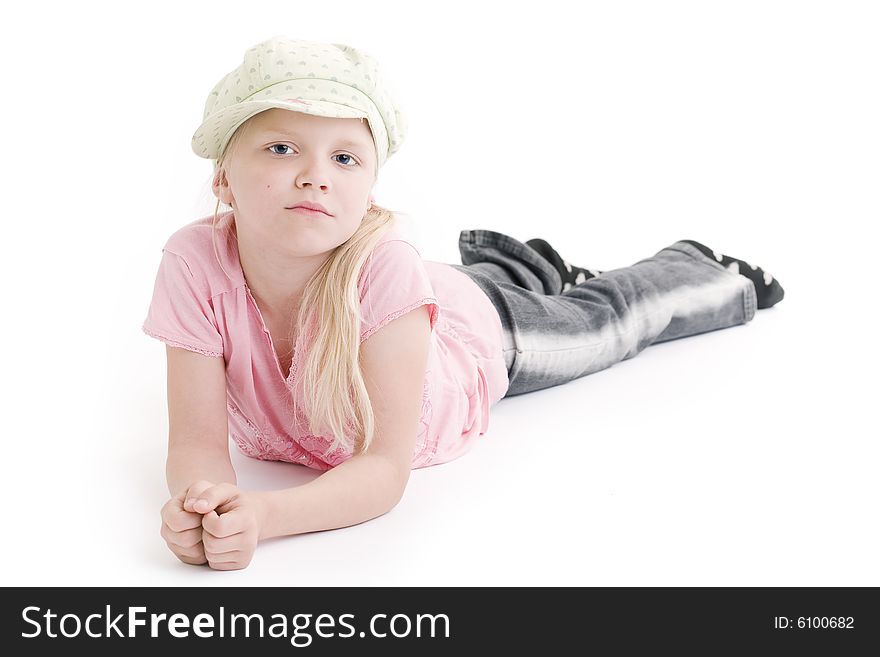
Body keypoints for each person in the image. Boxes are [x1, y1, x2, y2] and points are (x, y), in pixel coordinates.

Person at [144, 36, 785, 571]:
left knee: (603, 324)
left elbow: (384, 467)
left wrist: (264, 516)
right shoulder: (193, 262)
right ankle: (527, 266)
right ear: (222, 177)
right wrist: (206, 505)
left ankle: (691, 268)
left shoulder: (384, 266)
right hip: (421, 301)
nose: (316, 174)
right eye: (282, 148)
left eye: (344, 157)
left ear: (368, 195)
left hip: (475, 336)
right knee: (471, 286)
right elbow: (196, 439)